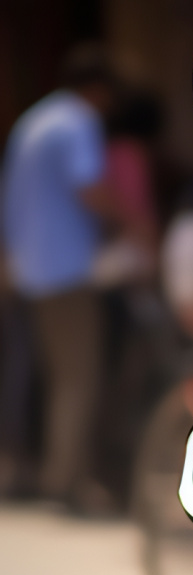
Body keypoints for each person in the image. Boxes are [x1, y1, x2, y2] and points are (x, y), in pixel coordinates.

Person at [1, 44, 117, 512]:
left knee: (39, 374)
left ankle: (30, 466)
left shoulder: (34, 121)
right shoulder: (77, 122)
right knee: (78, 378)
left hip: (27, 267)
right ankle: (66, 481)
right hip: (64, 269)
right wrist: (133, 222)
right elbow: (88, 185)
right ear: (98, 90)